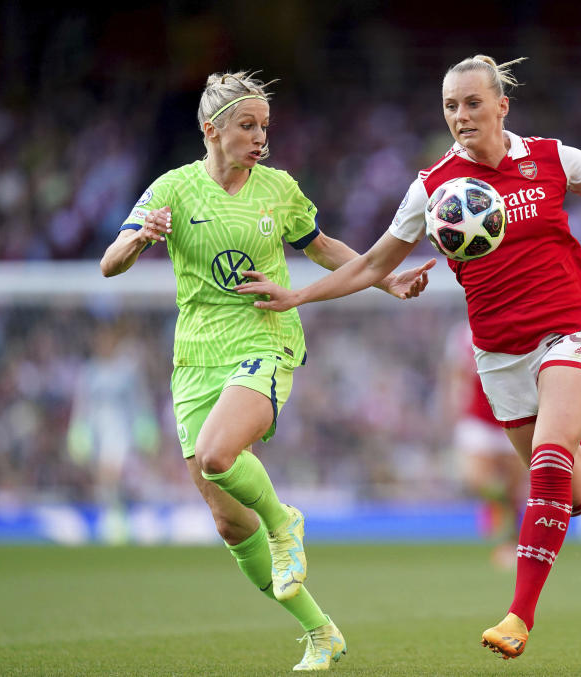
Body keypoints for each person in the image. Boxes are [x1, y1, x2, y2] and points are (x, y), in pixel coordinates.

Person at [233, 55, 581, 659]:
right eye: (451, 107)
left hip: (572, 326)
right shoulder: (431, 189)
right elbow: (374, 264)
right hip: (499, 353)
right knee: (575, 492)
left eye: (472, 103)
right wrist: (299, 293)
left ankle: (519, 615)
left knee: (546, 462)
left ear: (501, 106)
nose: (461, 116)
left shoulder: (551, 158)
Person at [99, 71, 432, 671]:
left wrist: (386, 278)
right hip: (194, 358)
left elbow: (323, 246)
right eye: (247, 126)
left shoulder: (278, 189)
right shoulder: (171, 191)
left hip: (265, 336)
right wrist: (139, 239)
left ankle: (285, 524)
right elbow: (109, 265)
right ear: (212, 130)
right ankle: (321, 632)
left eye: (264, 128)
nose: (259, 138)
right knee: (228, 522)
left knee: (218, 454)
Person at [442, 321, 525, 570]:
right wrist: (454, 405)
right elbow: (456, 374)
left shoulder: (519, 328)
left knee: (515, 487)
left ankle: (512, 542)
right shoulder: (463, 334)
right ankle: (497, 508)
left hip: (513, 416)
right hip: (478, 418)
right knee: (475, 479)